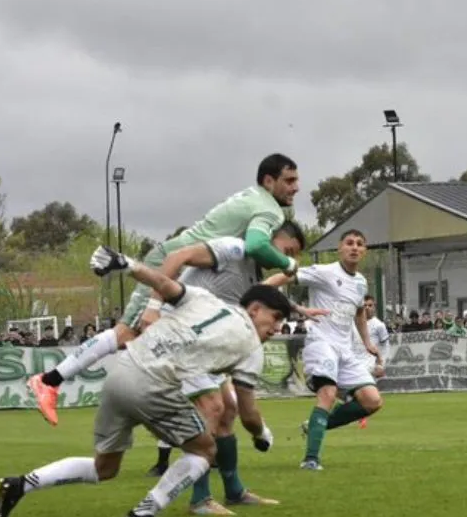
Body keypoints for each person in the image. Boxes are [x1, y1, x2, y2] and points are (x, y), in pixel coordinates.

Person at [0, 245, 292, 517]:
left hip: (121, 372)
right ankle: (143, 515)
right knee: (204, 451)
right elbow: (247, 412)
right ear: (255, 309)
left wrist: (127, 264)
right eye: (276, 317)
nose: (277, 327)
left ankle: (21, 484)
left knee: (104, 468)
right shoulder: (252, 347)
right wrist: (261, 434)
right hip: (153, 385)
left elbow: (163, 282)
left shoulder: (205, 299)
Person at [27, 154, 301, 426]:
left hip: (188, 269)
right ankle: (49, 381)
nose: (296, 188)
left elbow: (252, 260)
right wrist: (288, 264)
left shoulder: (252, 200)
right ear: (269, 181)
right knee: (125, 333)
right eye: (289, 181)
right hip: (172, 264)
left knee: (191, 377)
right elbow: (256, 244)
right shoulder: (270, 211)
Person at [142, 222, 312, 517]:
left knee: (228, 408)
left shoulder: (252, 274)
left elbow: (266, 292)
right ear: (271, 238)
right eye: (287, 251)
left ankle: (234, 491)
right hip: (182, 336)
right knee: (211, 408)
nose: (285, 259)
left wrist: (296, 305)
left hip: (209, 344)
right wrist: (152, 306)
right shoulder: (233, 249)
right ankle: (199, 499)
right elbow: (178, 256)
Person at [263, 229, 383, 470]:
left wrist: (367, 342)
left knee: (372, 401)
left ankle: (315, 425)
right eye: (349, 243)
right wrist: (262, 289)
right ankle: (310, 460)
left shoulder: (360, 282)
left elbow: (359, 312)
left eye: (360, 244)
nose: (354, 247)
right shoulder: (324, 272)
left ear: (364, 251)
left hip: (344, 350)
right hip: (321, 344)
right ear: (340, 248)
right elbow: (282, 278)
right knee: (328, 394)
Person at [351, 294, 391, 428]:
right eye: (365, 305)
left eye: (370, 305)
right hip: (353, 361)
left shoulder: (379, 325)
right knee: (355, 393)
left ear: (374, 307)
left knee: (365, 393)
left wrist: (381, 364)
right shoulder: (354, 323)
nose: (367, 308)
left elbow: (385, 346)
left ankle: (361, 417)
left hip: (369, 363)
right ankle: (357, 414)